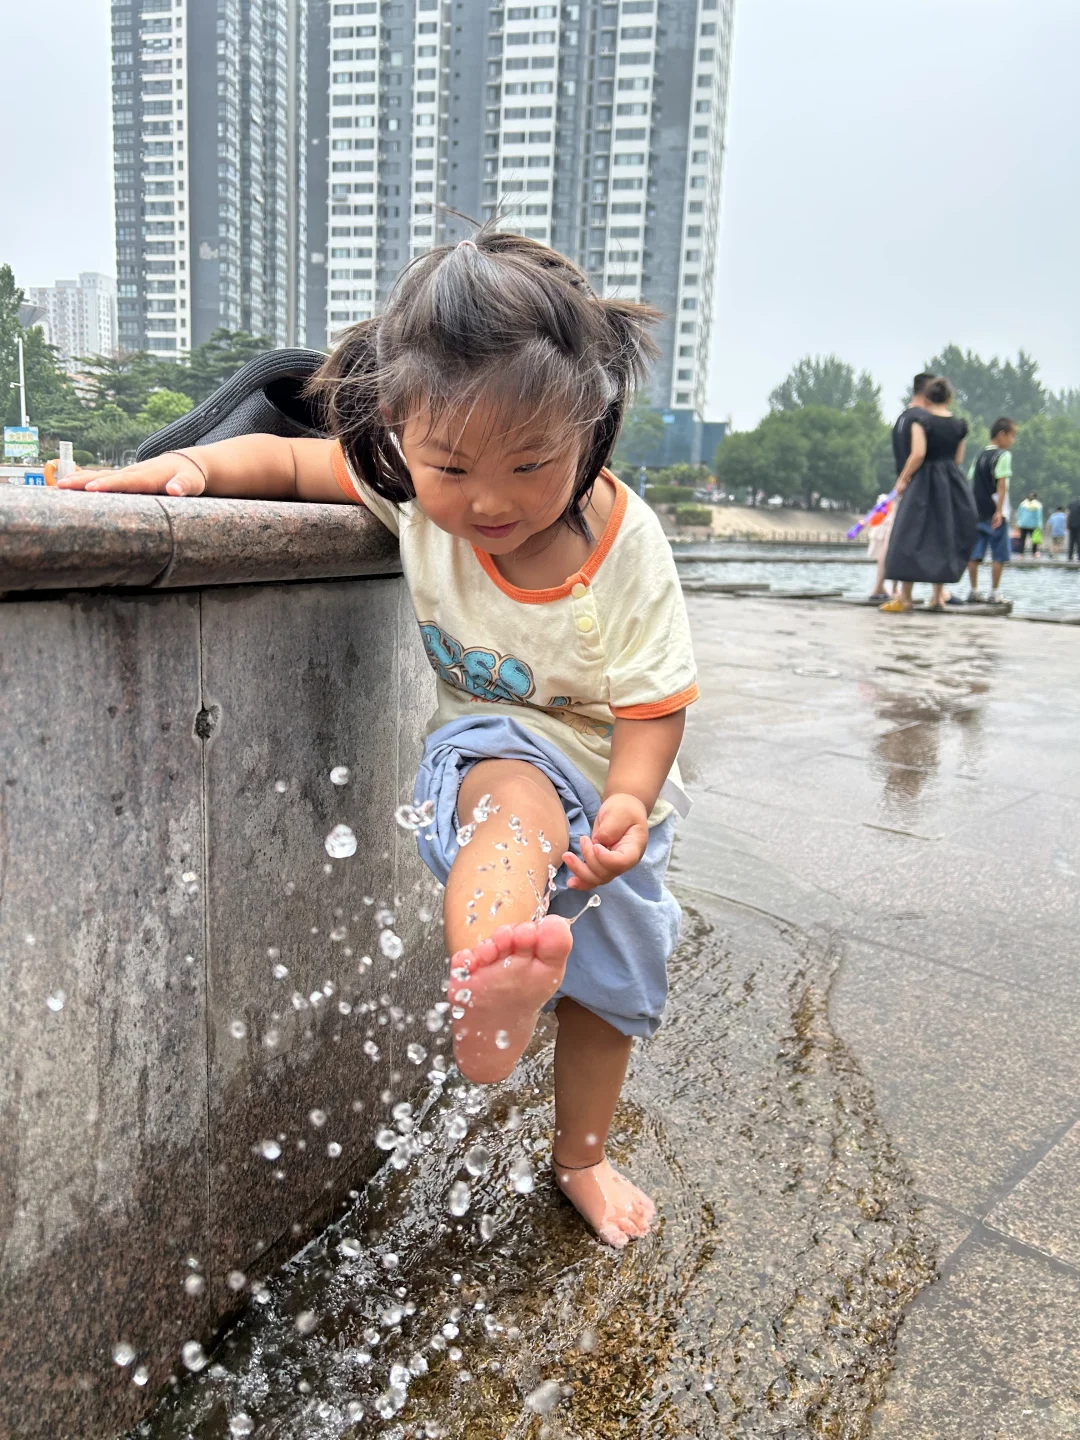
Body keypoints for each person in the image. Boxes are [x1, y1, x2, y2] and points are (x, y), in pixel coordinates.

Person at [59, 229, 697, 1251]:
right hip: (497, 744)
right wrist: (186, 466)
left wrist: (628, 798)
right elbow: (282, 460)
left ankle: (580, 1154)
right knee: (510, 811)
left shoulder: (627, 546)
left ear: (591, 428)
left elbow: (657, 701)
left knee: (613, 997)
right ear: (397, 431)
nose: (487, 502)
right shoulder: (410, 498)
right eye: (450, 466)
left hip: (611, 780)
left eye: (531, 465)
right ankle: (488, 980)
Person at [880, 376, 977, 613]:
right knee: (945, 534)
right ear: (949, 398)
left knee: (909, 534)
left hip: (924, 483)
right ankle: (937, 597)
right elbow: (958, 459)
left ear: (926, 397)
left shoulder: (921, 422)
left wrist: (903, 479)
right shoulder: (960, 425)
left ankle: (906, 597)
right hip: (951, 483)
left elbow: (918, 454)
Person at [965, 416, 1016, 604]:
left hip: (977, 511)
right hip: (995, 512)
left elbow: (972, 481)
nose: (1012, 441)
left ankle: (973, 590)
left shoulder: (979, 456)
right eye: (1012, 436)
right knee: (999, 554)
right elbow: (1002, 485)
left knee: (975, 553)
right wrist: (999, 511)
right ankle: (994, 593)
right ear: (1001, 435)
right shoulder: (1003, 455)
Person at [866, 493, 897, 601]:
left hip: (889, 504)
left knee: (886, 549)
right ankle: (889, 588)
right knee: (894, 549)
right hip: (896, 504)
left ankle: (880, 586)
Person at [1016, 491, 1043, 556]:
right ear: (1036, 497)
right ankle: (1034, 553)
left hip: (1023, 524)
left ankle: (1021, 554)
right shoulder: (1038, 505)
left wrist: (1018, 523)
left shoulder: (1022, 504)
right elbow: (1038, 516)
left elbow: (1019, 514)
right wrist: (1040, 526)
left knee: (1022, 540)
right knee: (1035, 540)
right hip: (1034, 525)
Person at [1069, 496, 1080, 562]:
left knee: (1071, 541)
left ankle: (1070, 556)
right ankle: (1079, 556)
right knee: (1079, 541)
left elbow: (1068, 513)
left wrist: (1067, 524)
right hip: (1078, 525)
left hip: (1071, 525)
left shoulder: (1072, 503)